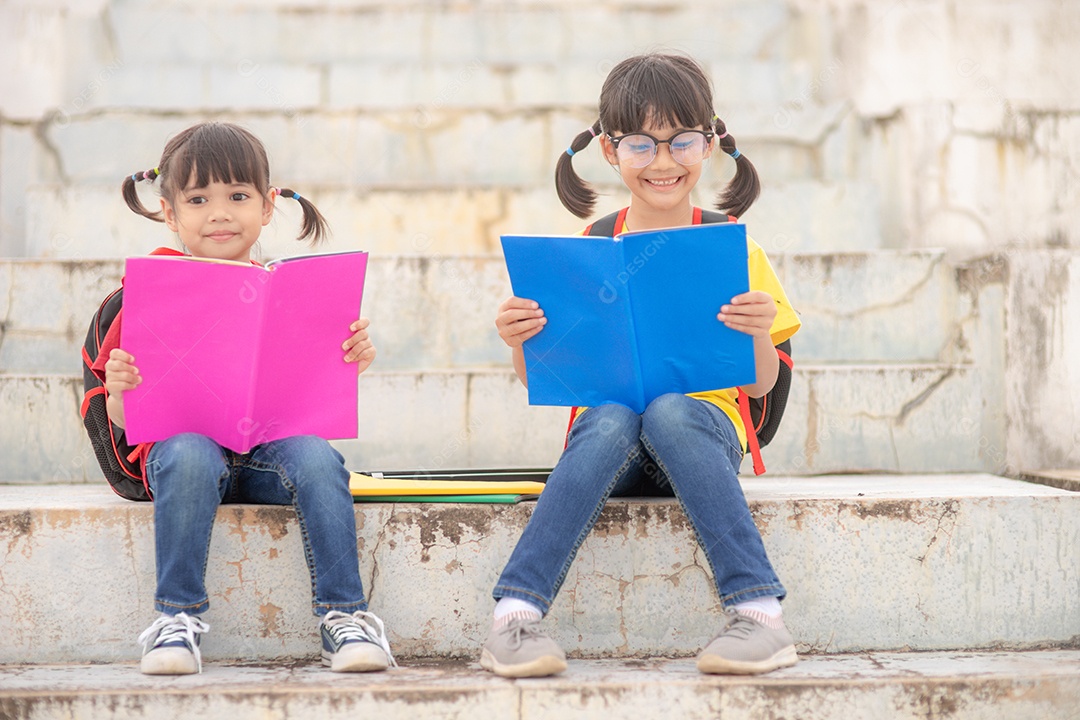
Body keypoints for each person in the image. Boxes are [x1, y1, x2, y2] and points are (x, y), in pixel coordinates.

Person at [485, 53, 801, 678]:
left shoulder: (734, 246)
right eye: (640, 144)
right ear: (608, 150)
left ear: (709, 144)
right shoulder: (590, 247)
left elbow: (762, 384)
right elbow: (548, 377)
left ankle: (760, 614)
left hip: (702, 432)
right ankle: (515, 616)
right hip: (613, 445)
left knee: (670, 410)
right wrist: (518, 340)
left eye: (681, 141)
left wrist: (758, 333)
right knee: (608, 418)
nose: (662, 161)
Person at [94, 122, 395, 675]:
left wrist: (350, 356)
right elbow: (120, 419)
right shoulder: (148, 288)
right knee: (186, 453)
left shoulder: (287, 290)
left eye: (238, 196)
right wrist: (121, 391)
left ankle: (344, 615)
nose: (219, 213)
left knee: (318, 457)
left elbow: (311, 390)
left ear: (267, 206)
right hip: (182, 456)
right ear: (169, 212)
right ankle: (175, 621)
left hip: (264, 456)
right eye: (198, 199)